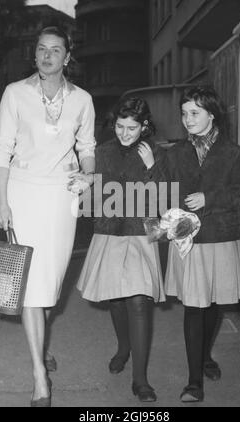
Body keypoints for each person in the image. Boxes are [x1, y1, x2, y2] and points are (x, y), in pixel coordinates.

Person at [0, 26, 96, 407]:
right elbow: (2, 149)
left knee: (50, 286)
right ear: (34, 55)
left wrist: (88, 172)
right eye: (41, 50)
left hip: (61, 198)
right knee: (33, 288)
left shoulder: (82, 100)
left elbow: (86, 146)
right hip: (22, 192)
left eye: (56, 50)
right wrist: (2, 202)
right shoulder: (15, 94)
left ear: (67, 57)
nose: (48, 56)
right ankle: (39, 375)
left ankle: (41, 340)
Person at [165, 86, 240, 403]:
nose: (187, 119)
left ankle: (205, 358)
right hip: (188, 240)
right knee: (194, 307)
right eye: (184, 113)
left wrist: (209, 199)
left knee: (212, 304)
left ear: (211, 114)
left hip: (220, 237)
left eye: (194, 113)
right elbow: (164, 192)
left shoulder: (233, 154)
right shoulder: (174, 153)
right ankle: (194, 383)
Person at [76, 97, 169, 402]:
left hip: (142, 233)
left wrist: (152, 168)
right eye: (119, 126)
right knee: (116, 299)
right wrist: (82, 188)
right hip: (110, 233)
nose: (125, 133)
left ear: (144, 126)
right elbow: (90, 197)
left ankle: (140, 380)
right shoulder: (101, 153)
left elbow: (164, 200)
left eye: (132, 127)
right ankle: (123, 348)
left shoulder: (155, 152)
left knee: (139, 301)